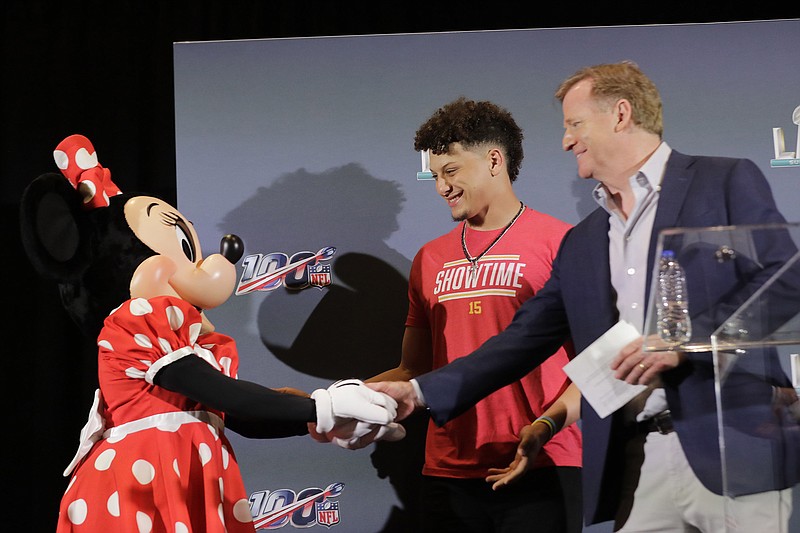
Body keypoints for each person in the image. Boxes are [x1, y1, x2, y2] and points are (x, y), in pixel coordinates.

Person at [369, 62, 799, 532]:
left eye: (575, 125)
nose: (566, 140)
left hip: (732, 443)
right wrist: (417, 391)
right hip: (638, 457)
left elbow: (787, 277)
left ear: (620, 114)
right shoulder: (586, 239)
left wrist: (683, 340)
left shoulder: (721, 181)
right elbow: (523, 338)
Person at [20, 134, 402, 532]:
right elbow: (218, 391)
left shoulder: (194, 340)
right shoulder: (136, 320)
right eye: (186, 251)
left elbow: (239, 415)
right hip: (139, 486)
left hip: (190, 471)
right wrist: (320, 407)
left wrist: (321, 420)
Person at [367, 97, 582, 533]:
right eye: (435, 176)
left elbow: (595, 365)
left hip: (542, 464)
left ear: (494, 160)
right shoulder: (429, 258)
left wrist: (545, 424)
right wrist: (330, 401)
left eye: (451, 172)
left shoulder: (562, 243)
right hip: (448, 474)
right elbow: (415, 368)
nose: (441, 187)